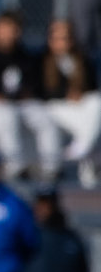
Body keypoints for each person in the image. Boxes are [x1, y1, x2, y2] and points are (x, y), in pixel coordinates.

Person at [0, 9, 57, 182]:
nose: (10, 34)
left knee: (44, 116)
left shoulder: (23, 56)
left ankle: (52, 166)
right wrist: (11, 98)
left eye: (14, 29)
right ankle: (16, 167)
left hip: (16, 106)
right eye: (6, 28)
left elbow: (31, 90)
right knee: (7, 115)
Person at [39, 17, 101, 185]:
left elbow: (91, 88)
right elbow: (42, 91)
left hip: (78, 108)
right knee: (91, 127)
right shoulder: (42, 60)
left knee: (97, 102)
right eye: (58, 38)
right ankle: (86, 162)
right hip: (54, 107)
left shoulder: (82, 59)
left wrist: (78, 95)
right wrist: (66, 94)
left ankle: (81, 147)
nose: (63, 42)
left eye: (66, 38)